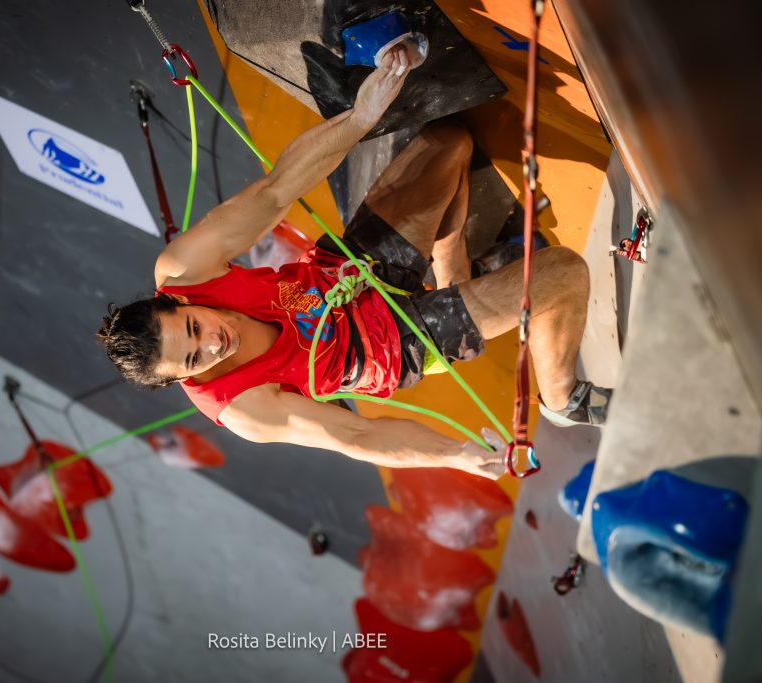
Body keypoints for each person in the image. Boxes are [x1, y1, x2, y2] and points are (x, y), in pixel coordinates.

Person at [97, 46, 610, 479]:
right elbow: (357, 435)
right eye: (193, 360)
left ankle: (455, 275)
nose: (212, 342)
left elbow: (276, 193)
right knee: (561, 273)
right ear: (181, 380)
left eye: (193, 326)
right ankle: (563, 400)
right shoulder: (242, 408)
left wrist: (363, 116)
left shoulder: (186, 271)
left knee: (449, 143)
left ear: (178, 300)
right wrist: (458, 455)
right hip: (391, 346)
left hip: (349, 270)